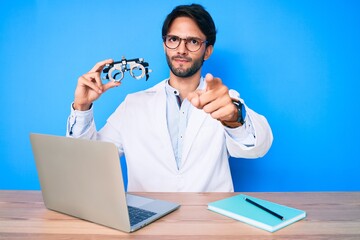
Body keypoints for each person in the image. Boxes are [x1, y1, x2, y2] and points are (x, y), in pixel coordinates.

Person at [66, 4, 273, 192]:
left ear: (207, 50)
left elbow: (258, 147)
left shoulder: (223, 101)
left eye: (193, 41)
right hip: (147, 222)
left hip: (209, 222)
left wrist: (235, 118)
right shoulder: (134, 104)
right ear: (165, 44)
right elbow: (88, 162)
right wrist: (82, 108)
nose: (181, 50)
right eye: (174, 39)